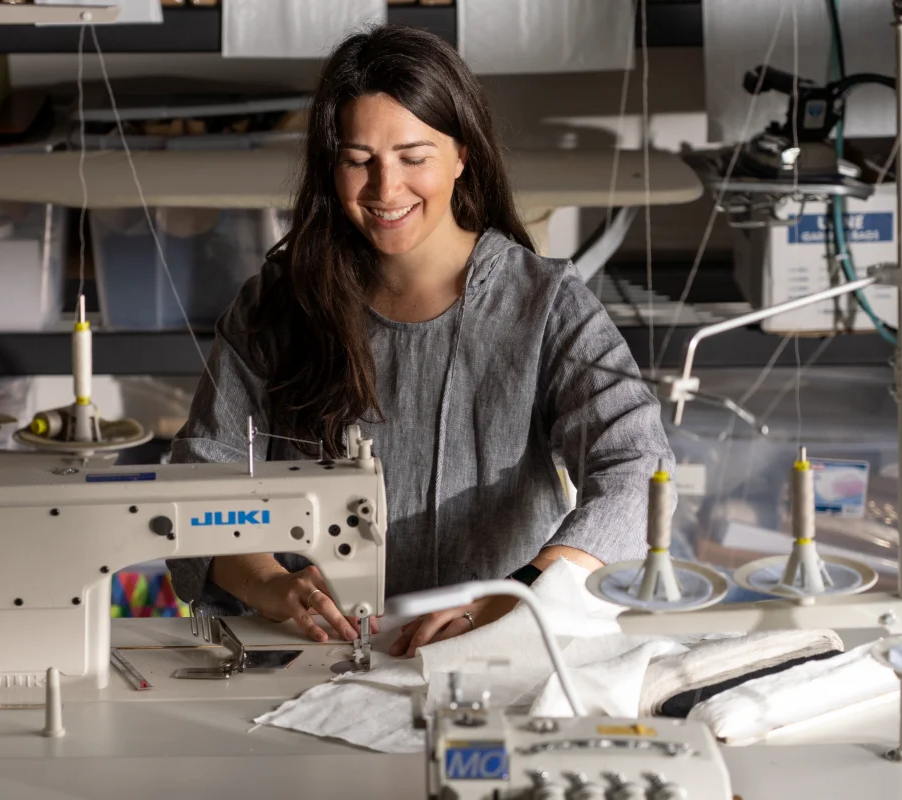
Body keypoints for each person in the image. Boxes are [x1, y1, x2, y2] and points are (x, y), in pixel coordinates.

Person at [167, 24, 673, 658]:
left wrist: (516, 595)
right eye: (359, 160)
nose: (385, 190)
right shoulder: (277, 305)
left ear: (463, 154)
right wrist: (269, 581)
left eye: (413, 157)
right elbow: (199, 481)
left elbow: (638, 471)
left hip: (498, 650)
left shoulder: (545, 307)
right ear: (331, 165)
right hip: (313, 652)